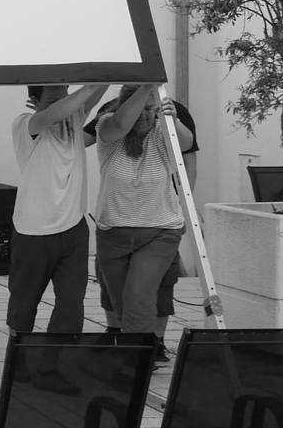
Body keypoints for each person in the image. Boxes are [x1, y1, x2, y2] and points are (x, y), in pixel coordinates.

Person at [87, 84, 198, 361]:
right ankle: (133, 349)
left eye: (151, 109)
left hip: (160, 231)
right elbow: (119, 125)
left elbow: (186, 144)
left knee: (139, 295)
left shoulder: (163, 129)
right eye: (140, 109)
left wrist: (173, 121)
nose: (146, 115)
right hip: (113, 230)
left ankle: (138, 360)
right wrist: (147, 85)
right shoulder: (107, 124)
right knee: (120, 302)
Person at [8, 83, 111, 337]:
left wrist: (108, 74)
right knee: (23, 304)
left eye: (64, 95)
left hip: (73, 227)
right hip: (33, 231)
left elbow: (97, 89)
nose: (63, 103)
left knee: (71, 305)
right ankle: (18, 355)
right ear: (34, 101)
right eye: (53, 98)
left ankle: (60, 356)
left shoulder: (74, 118)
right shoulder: (25, 123)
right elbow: (54, 113)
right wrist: (86, 88)